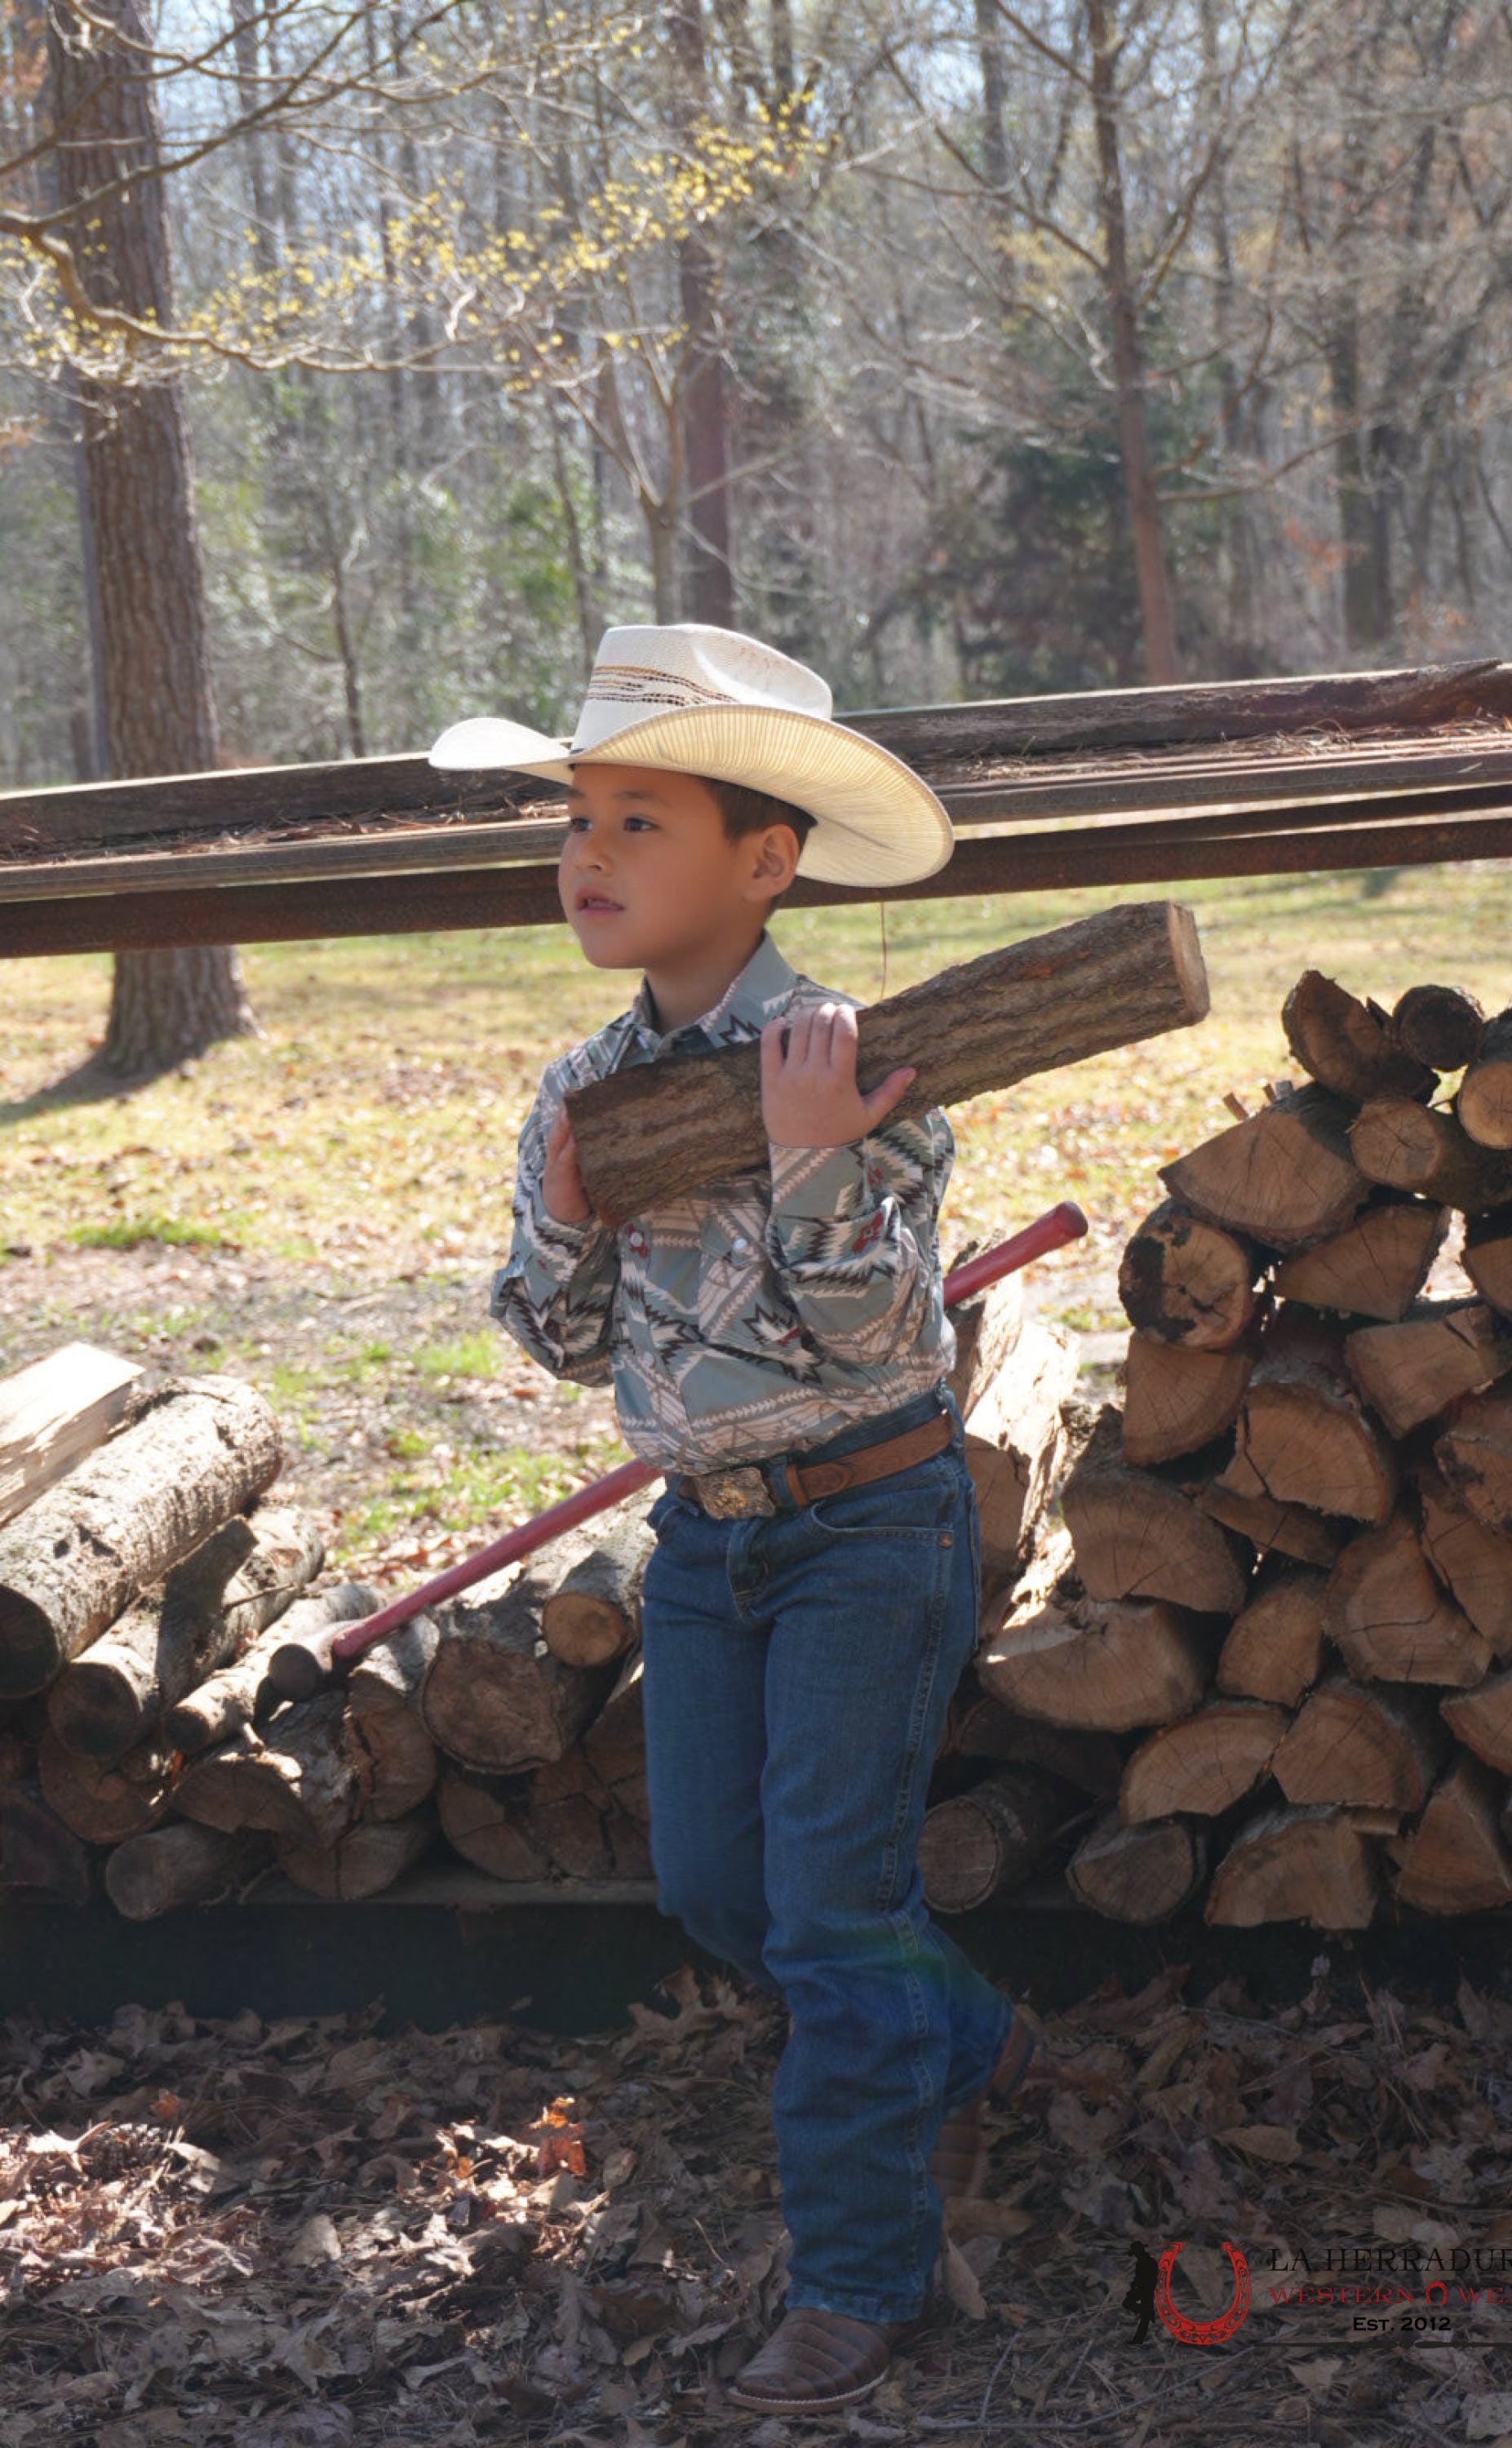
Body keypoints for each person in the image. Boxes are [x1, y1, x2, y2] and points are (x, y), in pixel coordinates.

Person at [429, 624, 1051, 2415]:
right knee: (718, 1885)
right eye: (578, 822)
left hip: (869, 1524)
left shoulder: (856, 1059)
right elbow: (558, 1345)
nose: (588, 857)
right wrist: (565, 1213)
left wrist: (808, 1160)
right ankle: (976, 2035)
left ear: (765, 860)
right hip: (706, 1538)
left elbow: (879, 1338)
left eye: (642, 821)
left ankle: (859, 2279)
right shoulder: (581, 1090)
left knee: (834, 1913)